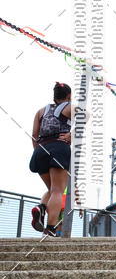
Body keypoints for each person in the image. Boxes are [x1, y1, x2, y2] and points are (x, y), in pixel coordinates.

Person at [29, 82, 72, 237]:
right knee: (57, 190)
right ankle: (51, 228)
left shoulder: (41, 111)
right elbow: (86, 115)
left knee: (52, 189)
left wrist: (39, 151)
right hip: (59, 148)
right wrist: (71, 135)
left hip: (41, 150)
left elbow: (34, 134)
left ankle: (41, 208)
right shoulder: (68, 107)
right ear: (68, 96)